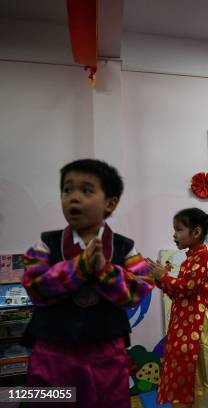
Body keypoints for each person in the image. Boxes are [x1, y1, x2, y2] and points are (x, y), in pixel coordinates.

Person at [21, 159, 154, 407]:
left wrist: (104, 270)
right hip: (52, 351)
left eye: (86, 190)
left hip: (107, 351)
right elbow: (35, 286)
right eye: (67, 190)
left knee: (109, 402)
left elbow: (140, 289)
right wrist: (80, 266)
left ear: (110, 203)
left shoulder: (124, 247)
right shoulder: (47, 243)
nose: (74, 197)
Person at [146, 208, 208, 407]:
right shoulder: (189, 259)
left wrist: (164, 276)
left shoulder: (203, 255)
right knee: (186, 367)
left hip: (199, 325)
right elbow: (179, 292)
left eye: (179, 229)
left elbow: (187, 287)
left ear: (196, 232)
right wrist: (159, 279)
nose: (174, 235)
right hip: (185, 322)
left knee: (202, 369)